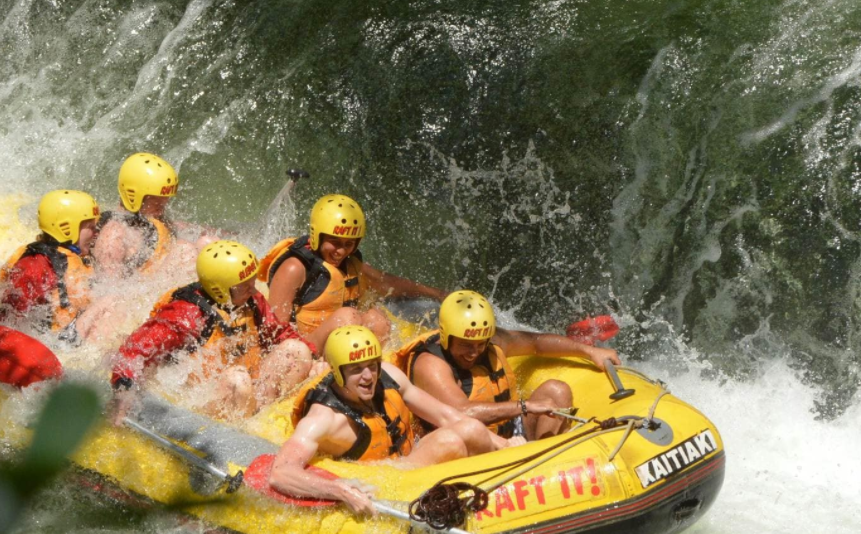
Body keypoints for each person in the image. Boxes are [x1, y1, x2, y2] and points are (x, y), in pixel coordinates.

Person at [268, 326, 518, 515]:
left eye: (372, 366)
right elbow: (280, 473)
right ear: (337, 373)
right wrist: (339, 490)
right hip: (386, 482)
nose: (368, 377)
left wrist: (507, 446)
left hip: (410, 462)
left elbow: (446, 415)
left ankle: (508, 477)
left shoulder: (389, 376)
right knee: (449, 442)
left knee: (469, 427)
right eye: (356, 369)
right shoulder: (324, 418)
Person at [110, 240, 314, 421]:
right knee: (238, 379)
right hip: (205, 399)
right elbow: (135, 350)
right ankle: (240, 430)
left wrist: (316, 358)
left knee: (297, 351)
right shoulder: (186, 314)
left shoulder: (249, 298)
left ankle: (262, 418)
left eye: (252, 280)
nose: (253, 289)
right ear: (221, 289)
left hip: (248, 386)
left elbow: (278, 333)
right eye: (245, 285)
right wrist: (123, 391)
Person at [394, 291, 620, 441]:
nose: (474, 352)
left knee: (557, 391)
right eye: (465, 345)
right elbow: (461, 413)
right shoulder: (431, 364)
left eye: (480, 344)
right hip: (468, 446)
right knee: (470, 431)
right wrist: (524, 406)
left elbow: (535, 344)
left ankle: (545, 464)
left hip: (508, 431)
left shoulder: (491, 342)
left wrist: (590, 351)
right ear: (446, 336)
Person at [260, 193, 445, 350]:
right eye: (334, 242)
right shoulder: (295, 268)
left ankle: (365, 370)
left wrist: (438, 294)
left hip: (342, 347)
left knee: (376, 319)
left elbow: (388, 283)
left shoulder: (351, 265)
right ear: (318, 235)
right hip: (304, 349)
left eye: (349, 244)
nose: (341, 251)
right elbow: (274, 332)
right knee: (347, 316)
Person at [0, 189, 115, 389]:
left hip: (66, 338)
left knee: (115, 299)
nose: (96, 233)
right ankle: (100, 378)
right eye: (91, 228)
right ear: (67, 229)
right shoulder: (36, 265)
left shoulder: (72, 256)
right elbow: (11, 314)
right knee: (111, 303)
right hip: (55, 343)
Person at [92, 152, 210, 277]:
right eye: (157, 203)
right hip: (142, 291)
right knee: (185, 251)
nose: (161, 210)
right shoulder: (113, 235)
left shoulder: (151, 218)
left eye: (164, 202)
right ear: (134, 197)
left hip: (159, 278)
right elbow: (109, 288)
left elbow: (183, 227)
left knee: (207, 242)